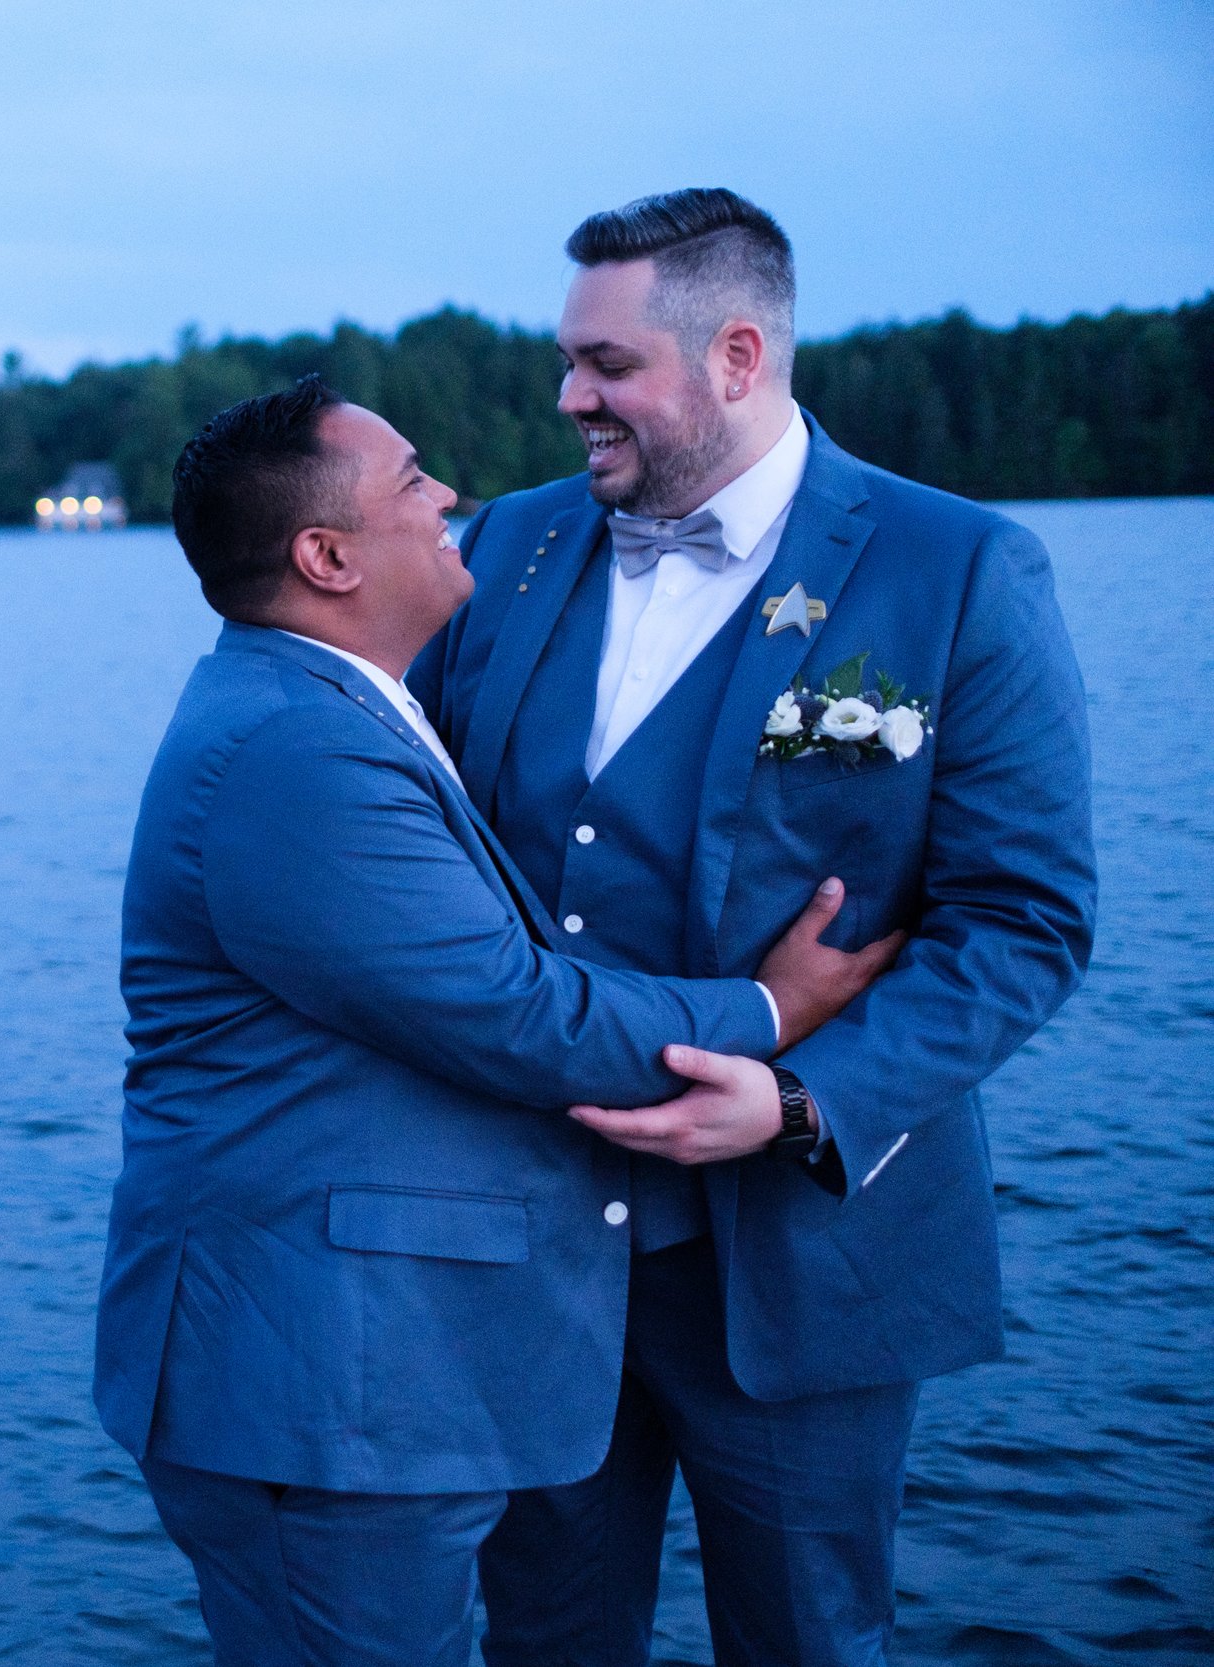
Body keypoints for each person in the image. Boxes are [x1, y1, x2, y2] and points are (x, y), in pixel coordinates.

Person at [94, 375, 899, 1665]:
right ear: (326, 556)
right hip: (319, 1386)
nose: (450, 499)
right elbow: (517, 1013)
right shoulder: (298, 751)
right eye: (411, 481)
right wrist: (772, 1005)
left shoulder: (334, 708)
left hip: (355, 1376)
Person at [405, 188, 1096, 1665]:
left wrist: (795, 1100)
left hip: (805, 1255)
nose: (568, 398)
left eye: (606, 367)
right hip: (527, 1242)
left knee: (805, 1643)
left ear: (734, 354)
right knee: (541, 1643)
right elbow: (417, 852)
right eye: (568, 362)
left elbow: (1024, 921)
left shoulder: (954, 568)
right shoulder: (510, 547)